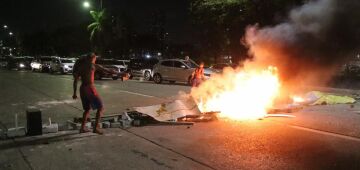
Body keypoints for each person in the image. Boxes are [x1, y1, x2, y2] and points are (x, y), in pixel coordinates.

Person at [72, 53, 104, 135]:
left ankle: (82, 128)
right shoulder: (92, 66)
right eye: (95, 58)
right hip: (89, 88)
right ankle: (96, 128)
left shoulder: (81, 67)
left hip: (82, 89)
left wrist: (74, 93)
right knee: (100, 107)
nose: (96, 59)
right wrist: (120, 74)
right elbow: (107, 70)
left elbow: (75, 81)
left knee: (87, 109)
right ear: (93, 58)